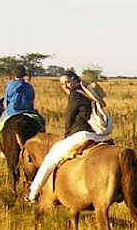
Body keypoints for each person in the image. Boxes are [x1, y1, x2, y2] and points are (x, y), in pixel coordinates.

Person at [27, 71, 113, 202]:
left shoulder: (75, 95)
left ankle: (33, 193)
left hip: (80, 135)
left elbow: (69, 119)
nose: (65, 86)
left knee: (50, 159)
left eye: (67, 82)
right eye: (62, 84)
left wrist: (66, 136)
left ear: (75, 80)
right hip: (96, 135)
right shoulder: (89, 93)